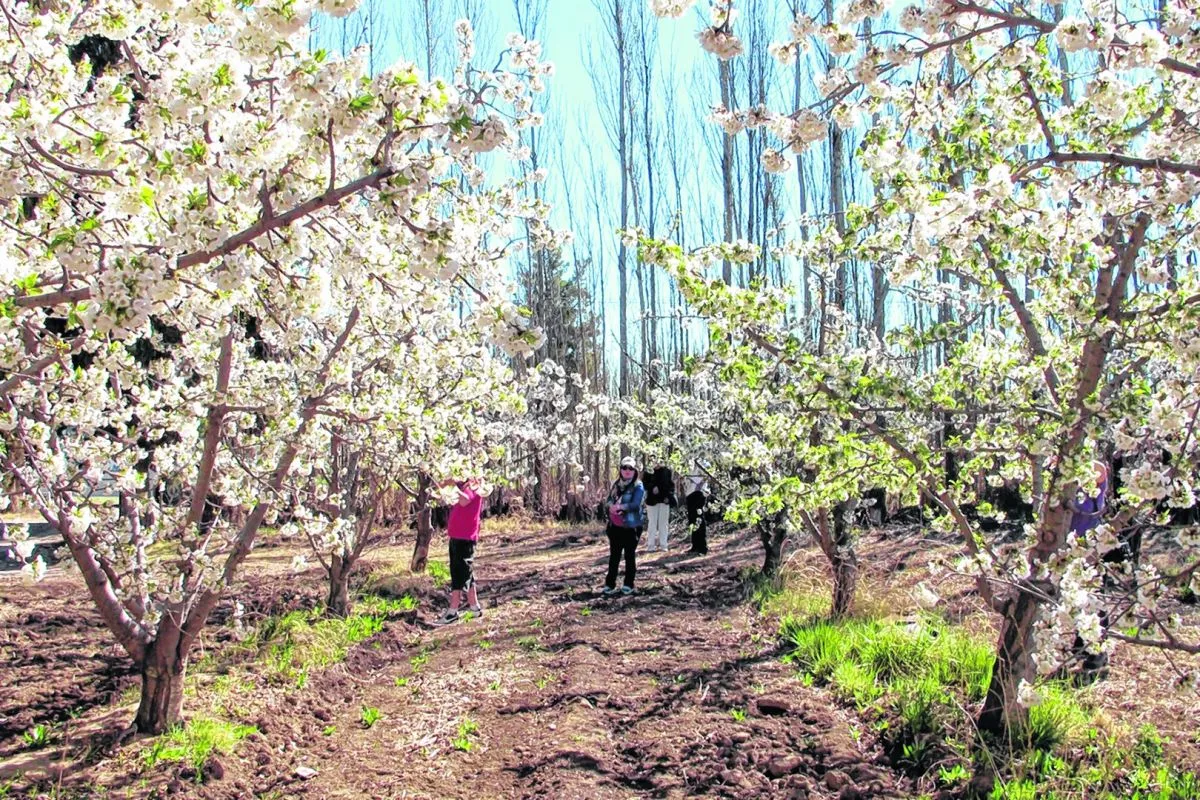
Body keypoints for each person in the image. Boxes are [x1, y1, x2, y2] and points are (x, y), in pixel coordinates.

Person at [439, 478, 484, 624]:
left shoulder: (474, 485)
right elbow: (441, 489)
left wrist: (453, 486)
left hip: (465, 536)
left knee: (458, 573)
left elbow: (465, 501)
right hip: (457, 535)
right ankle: (474, 607)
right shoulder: (462, 485)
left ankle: (453, 611)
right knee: (466, 571)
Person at [603, 456, 645, 595]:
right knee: (614, 556)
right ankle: (610, 584)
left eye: (630, 468)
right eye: (624, 468)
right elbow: (608, 500)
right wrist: (611, 507)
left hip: (631, 526)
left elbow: (635, 504)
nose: (627, 471)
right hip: (615, 526)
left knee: (629, 556)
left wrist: (621, 507)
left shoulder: (638, 486)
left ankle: (628, 584)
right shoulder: (616, 485)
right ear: (620, 470)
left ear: (635, 471)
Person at [644, 461, 675, 553]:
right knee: (652, 523)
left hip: (664, 500)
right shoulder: (648, 471)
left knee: (663, 523)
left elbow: (671, 486)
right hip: (651, 500)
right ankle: (651, 545)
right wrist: (652, 488)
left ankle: (663, 545)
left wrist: (668, 497)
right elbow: (644, 484)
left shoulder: (666, 471)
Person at [684, 470, 709, 555]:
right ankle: (695, 545)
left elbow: (704, 478)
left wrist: (692, 480)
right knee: (692, 520)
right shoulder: (691, 464)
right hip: (690, 494)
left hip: (699, 493)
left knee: (699, 519)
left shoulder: (703, 463)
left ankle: (702, 547)